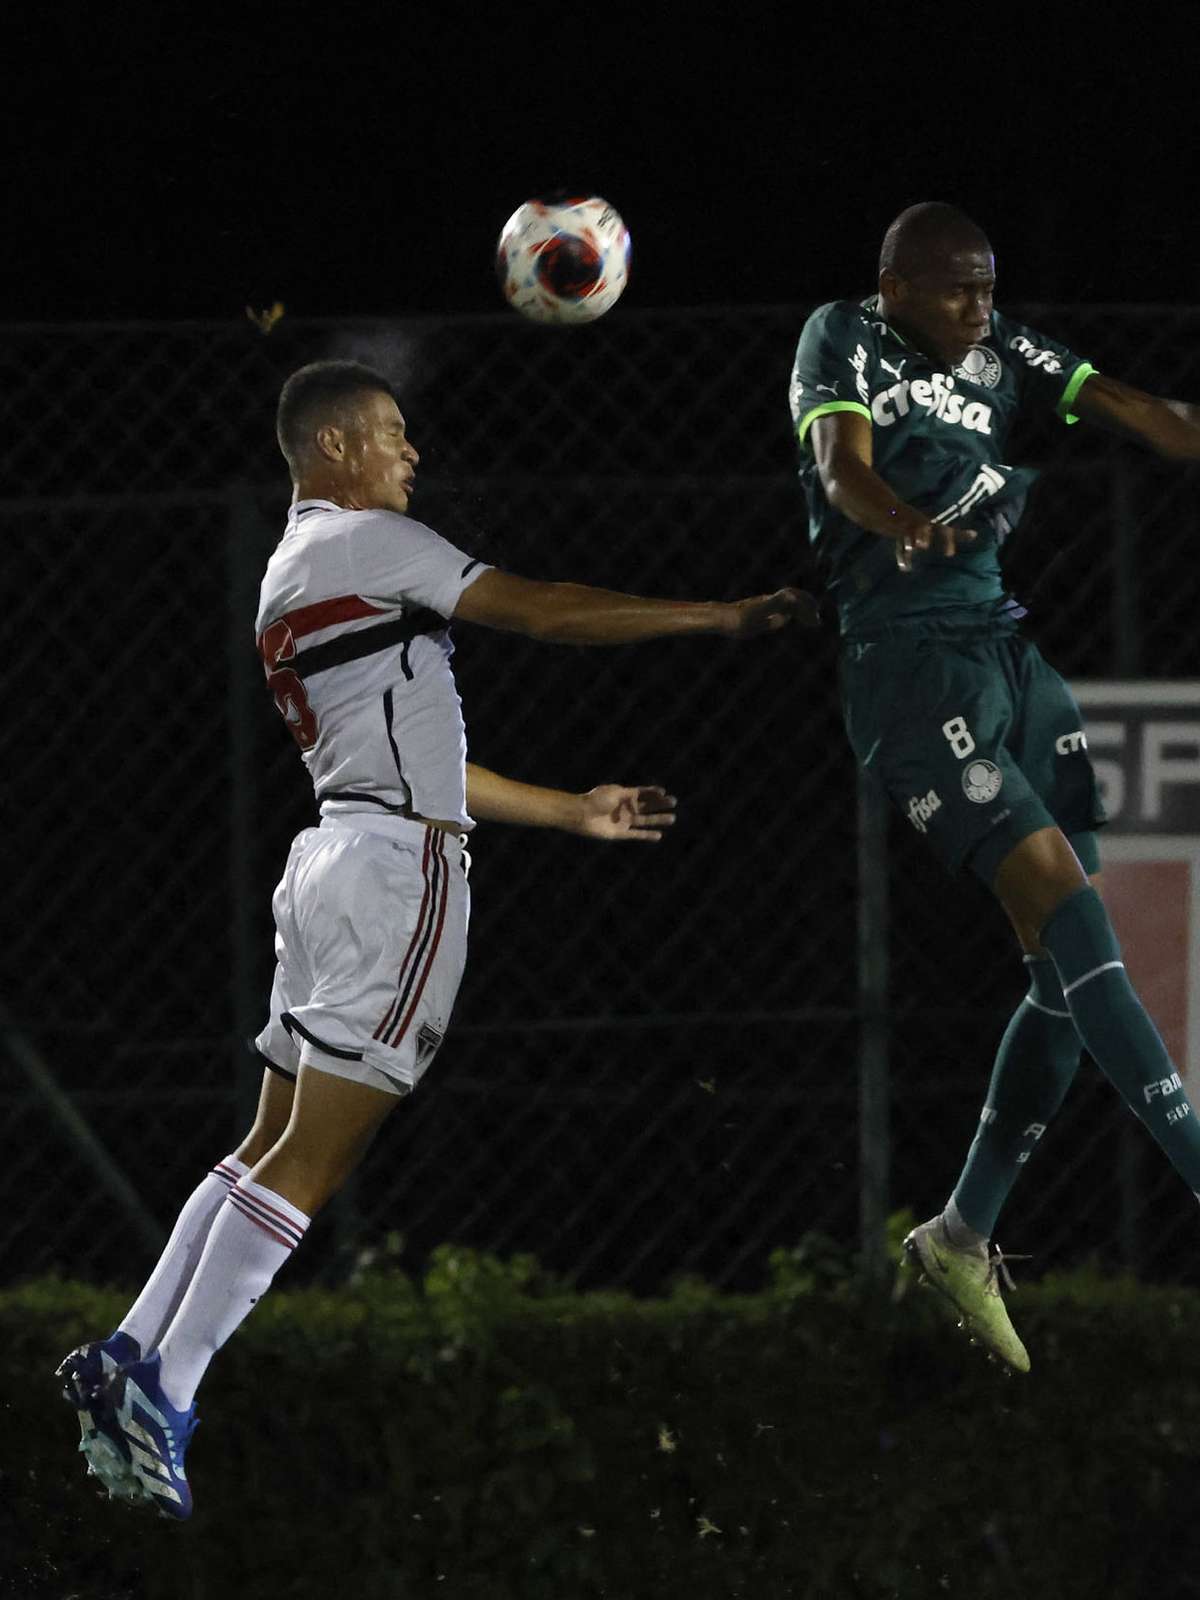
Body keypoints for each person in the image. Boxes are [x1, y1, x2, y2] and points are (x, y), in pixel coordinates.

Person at [57, 359, 811, 1518]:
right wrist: (716, 615)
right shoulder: (368, 545)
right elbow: (545, 605)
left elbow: (412, 760)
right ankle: (172, 1385)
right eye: (394, 434)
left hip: (331, 861)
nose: (413, 454)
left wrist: (568, 806)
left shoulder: (292, 570)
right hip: (396, 877)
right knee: (314, 1163)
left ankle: (130, 1352)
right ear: (335, 450)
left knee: (261, 1145)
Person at [789, 201, 1200, 1373]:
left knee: (1066, 979)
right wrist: (910, 525)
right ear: (896, 285)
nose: (979, 308)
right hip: (910, 668)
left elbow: (1138, 411)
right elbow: (841, 469)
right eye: (958, 290)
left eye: (988, 288)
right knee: (1077, 916)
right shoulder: (842, 337)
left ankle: (961, 1233)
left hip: (1010, 658)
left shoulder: (1001, 347)